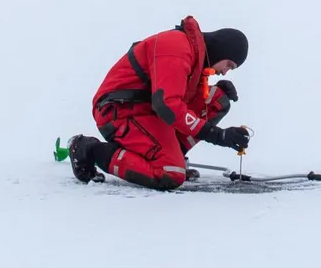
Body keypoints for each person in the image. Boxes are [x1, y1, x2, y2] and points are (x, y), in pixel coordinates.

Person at [67, 16, 252, 190]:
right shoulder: (178, 48)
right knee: (170, 174)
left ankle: (171, 155)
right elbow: (168, 104)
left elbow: (181, 101)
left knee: (217, 101)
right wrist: (218, 135)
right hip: (120, 110)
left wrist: (219, 90)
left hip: (148, 111)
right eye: (229, 64)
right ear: (222, 50)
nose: (226, 71)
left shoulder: (196, 60)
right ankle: (90, 150)